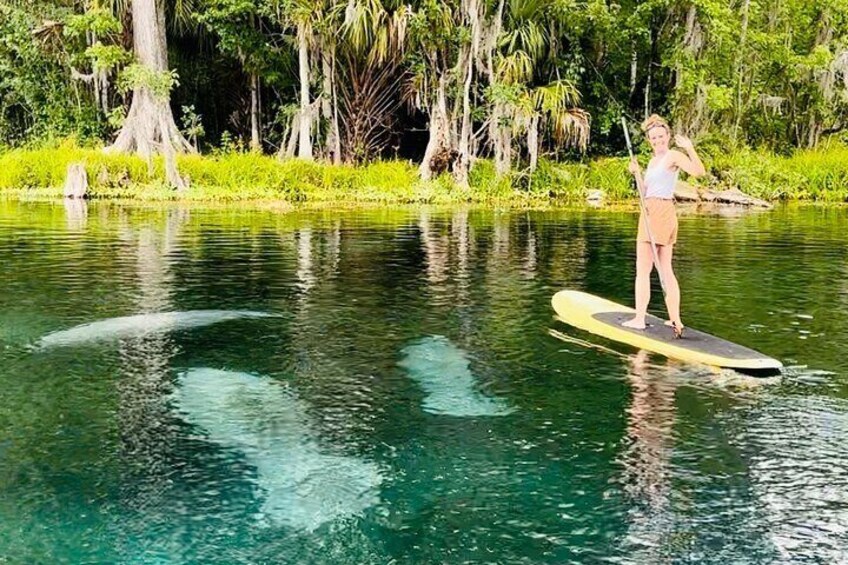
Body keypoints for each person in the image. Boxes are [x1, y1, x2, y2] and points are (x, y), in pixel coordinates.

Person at [622, 114, 706, 338]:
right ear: (649, 140)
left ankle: (640, 319)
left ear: (668, 136)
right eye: (653, 138)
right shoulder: (652, 162)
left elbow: (699, 172)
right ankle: (674, 319)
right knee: (664, 269)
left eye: (660, 136)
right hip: (651, 209)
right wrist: (637, 174)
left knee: (644, 269)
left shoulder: (673, 156)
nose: (657, 140)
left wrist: (689, 148)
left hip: (660, 212)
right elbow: (645, 192)